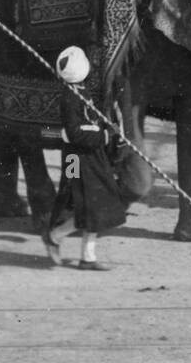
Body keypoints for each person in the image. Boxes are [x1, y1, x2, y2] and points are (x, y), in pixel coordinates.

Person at [41, 45, 129, 270]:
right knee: (88, 206)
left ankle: (86, 256)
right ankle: (56, 236)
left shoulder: (84, 92)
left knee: (96, 206)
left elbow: (90, 122)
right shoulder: (70, 98)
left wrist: (107, 128)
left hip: (92, 157)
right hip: (78, 159)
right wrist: (105, 136)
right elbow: (75, 133)